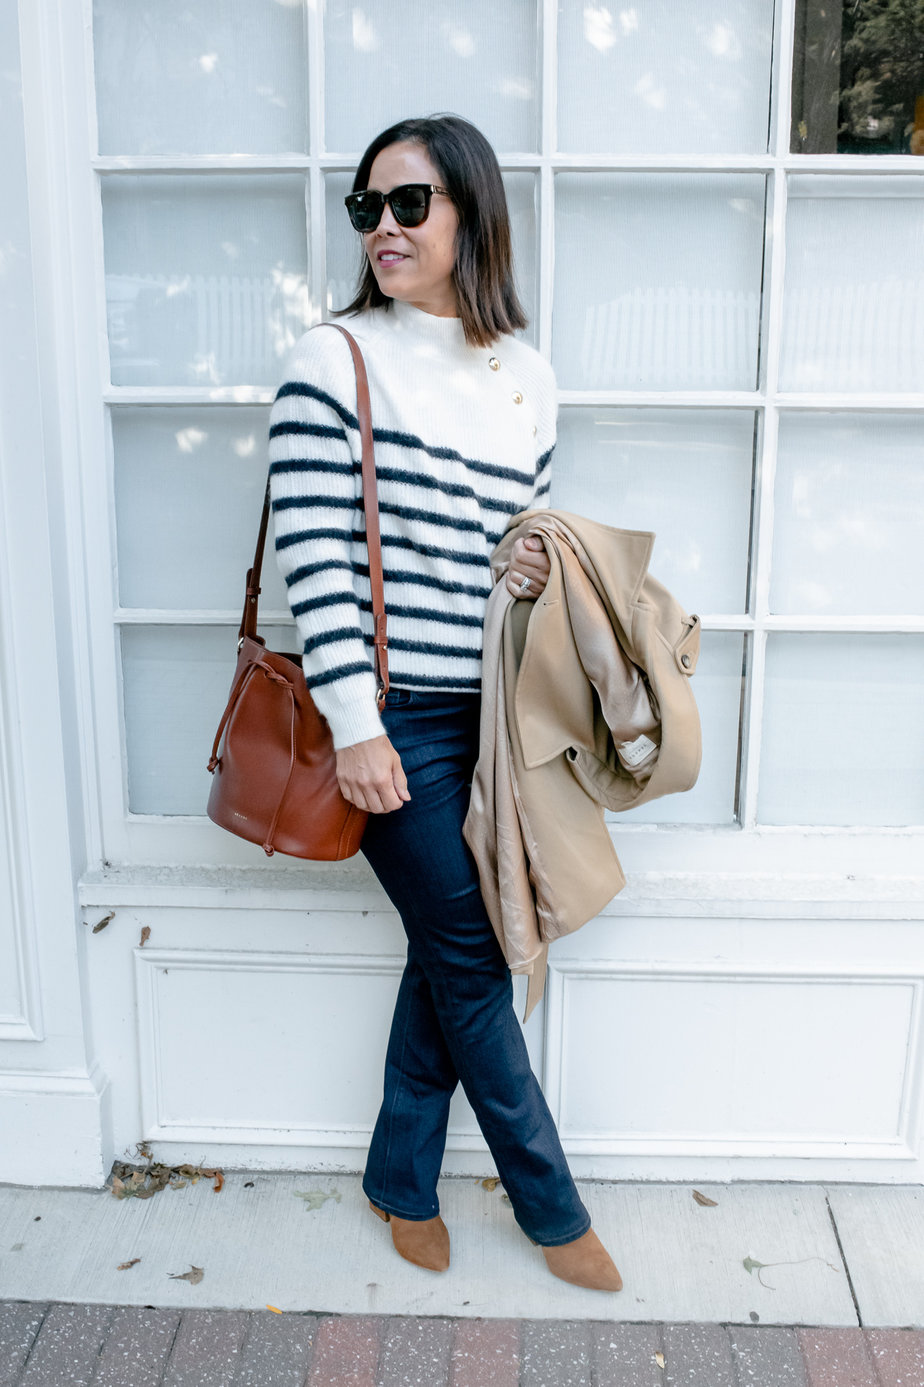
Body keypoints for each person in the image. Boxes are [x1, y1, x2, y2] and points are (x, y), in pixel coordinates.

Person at [268, 114, 622, 1292]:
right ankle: (552, 1206)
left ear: (470, 211)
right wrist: (357, 724)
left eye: (408, 204)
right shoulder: (334, 359)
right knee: (471, 957)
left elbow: (510, 538)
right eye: (367, 208)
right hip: (394, 715)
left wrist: (520, 562)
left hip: (492, 717)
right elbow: (315, 558)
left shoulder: (525, 374)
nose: (383, 228)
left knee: (442, 953)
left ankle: (400, 1179)